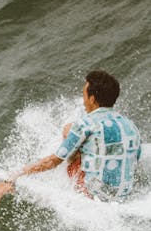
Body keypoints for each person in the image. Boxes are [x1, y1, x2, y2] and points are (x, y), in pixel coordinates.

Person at [14, 70, 142, 201]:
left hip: (92, 194)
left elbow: (53, 161)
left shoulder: (85, 124)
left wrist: (19, 173)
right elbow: (134, 163)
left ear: (92, 99)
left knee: (68, 129)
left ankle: (73, 187)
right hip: (123, 196)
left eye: (84, 95)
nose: (83, 101)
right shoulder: (132, 127)